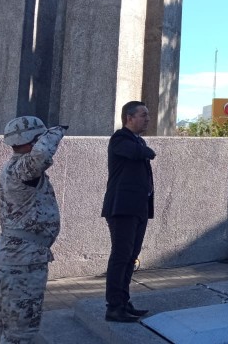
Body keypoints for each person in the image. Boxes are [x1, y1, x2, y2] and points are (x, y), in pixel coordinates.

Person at [0, 117, 67, 344]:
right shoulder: (23, 168)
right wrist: (53, 133)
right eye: (39, 138)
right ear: (33, 142)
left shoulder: (16, 167)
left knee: (7, 326)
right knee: (20, 334)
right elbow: (41, 156)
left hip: (18, 258)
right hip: (22, 263)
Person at [101, 101, 155, 322]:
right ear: (129, 118)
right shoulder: (120, 139)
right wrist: (147, 151)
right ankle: (114, 306)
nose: (147, 119)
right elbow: (140, 153)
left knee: (131, 257)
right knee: (121, 256)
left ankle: (123, 301)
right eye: (143, 115)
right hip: (121, 208)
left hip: (138, 209)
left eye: (147, 115)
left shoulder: (137, 141)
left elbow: (142, 152)